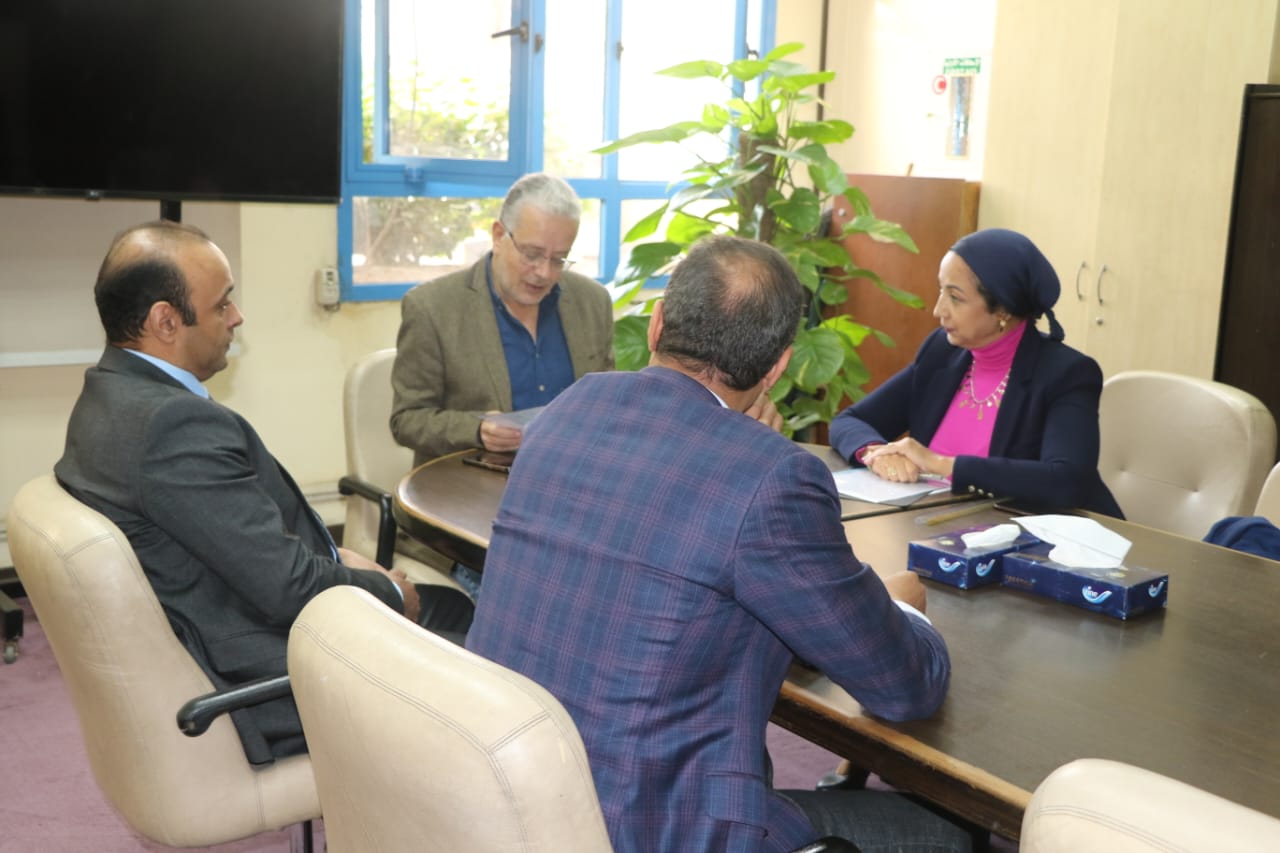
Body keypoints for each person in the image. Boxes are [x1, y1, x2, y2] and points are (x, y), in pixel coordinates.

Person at [466, 235, 970, 852]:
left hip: (505, 797)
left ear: (656, 325)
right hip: (650, 828)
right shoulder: (770, 477)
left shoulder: (566, 410)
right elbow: (904, 688)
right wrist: (902, 609)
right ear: (777, 367)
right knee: (948, 834)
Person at [55, 220, 474, 765]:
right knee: (494, 651)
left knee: (458, 609)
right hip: (274, 678)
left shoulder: (107, 395)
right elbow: (287, 590)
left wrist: (333, 555)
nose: (237, 316)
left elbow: (237, 538)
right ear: (165, 321)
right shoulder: (170, 427)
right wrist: (392, 594)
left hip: (233, 619)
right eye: (222, 304)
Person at [829, 227, 1123, 518]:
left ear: (1003, 309)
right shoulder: (942, 351)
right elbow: (851, 420)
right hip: (937, 527)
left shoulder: (1066, 374)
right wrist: (877, 454)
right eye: (941, 291)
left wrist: (941, 464)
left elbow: (1066, 480)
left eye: (955, 297)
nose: (938, 310)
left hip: (1037, 537)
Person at [390, 172, 615, 467]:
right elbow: (407, 420)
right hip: (471, 485)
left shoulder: (592, 302)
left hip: (570, 475)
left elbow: (606, 402)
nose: (544, 272)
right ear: (498, 236)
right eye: (532, 254)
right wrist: (476, 430)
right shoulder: (432, 308)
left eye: (559, 259)